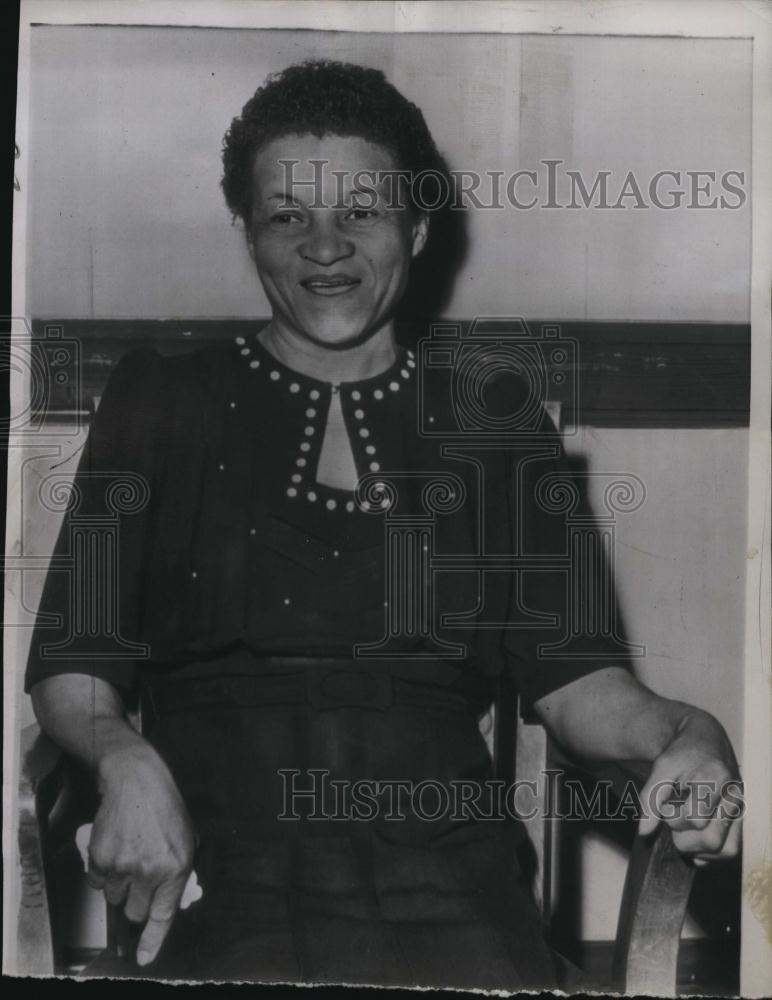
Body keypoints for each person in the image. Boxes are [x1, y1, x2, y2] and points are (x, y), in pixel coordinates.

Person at [26, 60, 741, 990]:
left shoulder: (496, 417)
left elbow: (580, 686)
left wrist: (687, 730)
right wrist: (120, 755)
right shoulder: (161, 402)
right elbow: (73, 662)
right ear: (247, 231)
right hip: (215, 874)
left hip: (452, 881)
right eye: (287, 216)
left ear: (417, 225)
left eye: (360, 211)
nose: (324, 247)